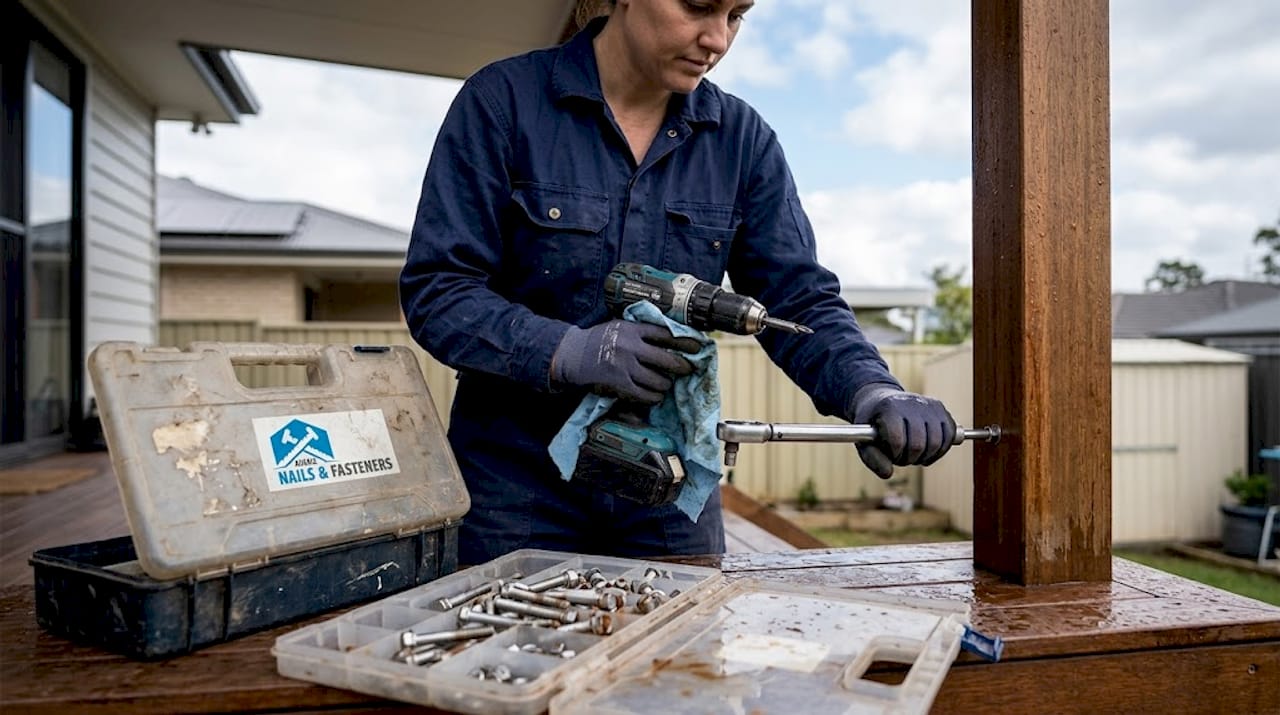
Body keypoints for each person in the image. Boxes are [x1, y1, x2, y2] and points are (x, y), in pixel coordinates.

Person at [400, 0, 957, 565]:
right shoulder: (503, 104)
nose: (717, 39)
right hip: (515, 491)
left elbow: (798, 298)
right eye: (698, 7)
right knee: (511, 652)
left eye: (737, 15)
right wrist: (568, 351)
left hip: (668, 491)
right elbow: (439, 291)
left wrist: (873, 389)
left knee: (681, 654)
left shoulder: (741, 141)